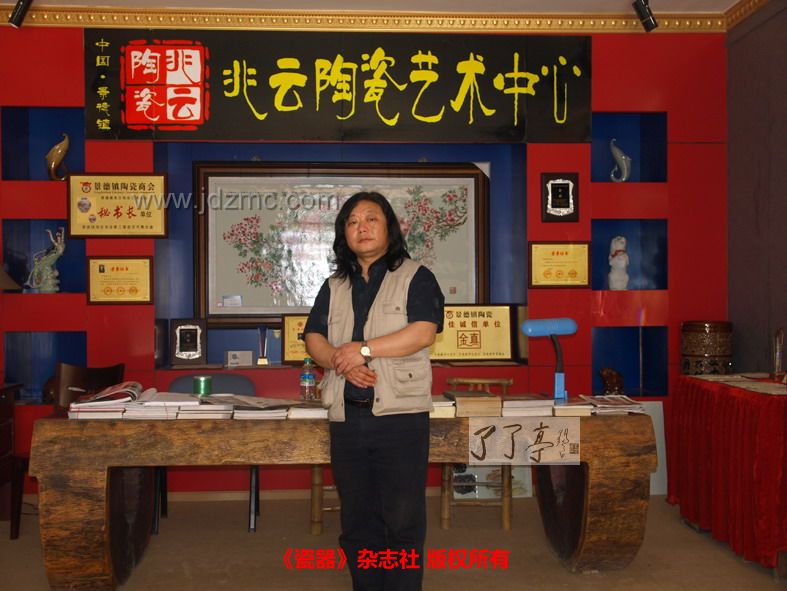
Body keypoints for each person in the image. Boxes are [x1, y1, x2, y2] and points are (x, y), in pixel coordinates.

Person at [304, 191, 444, 591]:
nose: (361, 227)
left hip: (400, 419)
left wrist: (363, 350)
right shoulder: (334, 285)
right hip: (347, 418)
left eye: (370, 219)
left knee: (402, 522)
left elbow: (423, 332)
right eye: (352, 222)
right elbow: (313, 337)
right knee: (357, 523)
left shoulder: (416, 276)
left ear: (390, 228)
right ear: (343, 234)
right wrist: (341, 360)